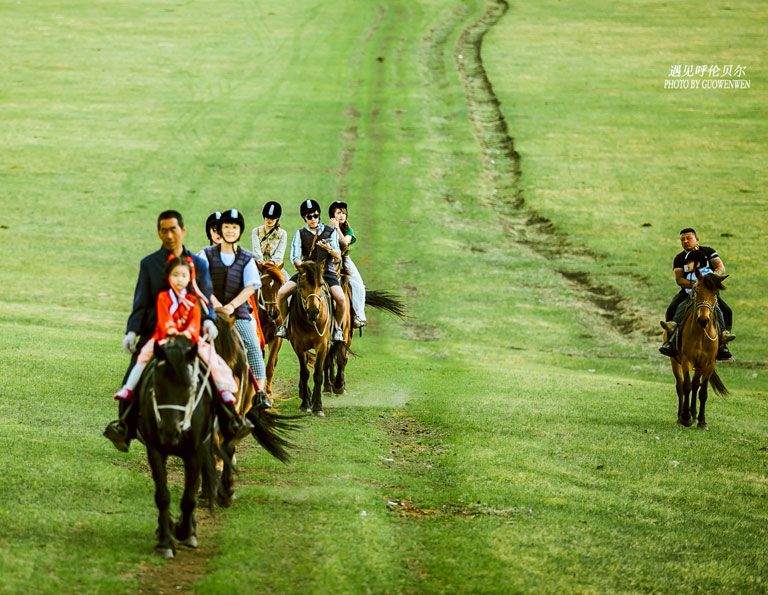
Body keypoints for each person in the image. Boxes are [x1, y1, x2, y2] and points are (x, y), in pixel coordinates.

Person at [104, 210, 251, 452]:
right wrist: (132, 331)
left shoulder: (198, 264)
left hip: (192, 332)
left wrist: (209, 321)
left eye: (173, 229)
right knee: (135, 371)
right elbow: (140, 303)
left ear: (182, 231)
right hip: (156, 333)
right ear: (159, 233)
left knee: (214, 370)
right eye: (164, 230)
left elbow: (204, 299)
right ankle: (124, 426)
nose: (169, 235)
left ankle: (230, 422)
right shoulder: (149, 264)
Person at [113, 255, 241, 408]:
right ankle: (128, 388)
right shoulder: (163, 298)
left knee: (211, 357)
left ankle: (222, 388)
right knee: (143, 356)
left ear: (189, 278)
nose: (179, 279)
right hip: (164, 337)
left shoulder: (193, 301)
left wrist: (188, 333)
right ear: (168, 277)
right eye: (175, 275)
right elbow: (164, 318)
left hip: (189, 338)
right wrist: (172, 330)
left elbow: (194, 321)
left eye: (183, 275)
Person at [202, 209, 272, 409]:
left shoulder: (246, 258)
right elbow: (199, 281)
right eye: (225, 227)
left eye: (234, 227)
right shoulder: (205, 255)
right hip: (209, 312)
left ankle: (259, 393)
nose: (229, 231)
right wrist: (216, 304)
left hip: (238, 313)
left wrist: (232, 305)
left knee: (252, 345)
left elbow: (250, 286)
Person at [274, 199, 346, 342]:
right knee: (282, 293)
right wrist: (303, 269)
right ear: (304, 218)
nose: (313, 219)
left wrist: (328, 249)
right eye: (309, 217)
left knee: (341, 299)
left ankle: (337, 329)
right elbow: (294, 256)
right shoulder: (300, 233)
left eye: (316, 216)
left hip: (326, 272)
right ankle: (284, 324)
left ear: (319, 215)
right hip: (306, 272)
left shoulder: (330, 231)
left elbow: (338, 255)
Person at [659, 228, 734, 360]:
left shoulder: (708, 251)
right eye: (682, 239)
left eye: (688, 238)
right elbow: (679, 279)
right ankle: (670, 341)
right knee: (672, 308)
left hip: (708, 292)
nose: (685, 241)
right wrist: (696, 285)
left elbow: (720, 268)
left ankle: (723, 341)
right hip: (688, 291)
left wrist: (708, 280)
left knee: (726, 311)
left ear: (696, 239)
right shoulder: (679, 258)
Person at [327, 200, 366, 328]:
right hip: (329, 259)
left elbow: (344, 243)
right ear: (332, 216)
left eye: (344, 213)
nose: (342, 215)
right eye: (338, 213)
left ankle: (358, 316)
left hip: (344, 259)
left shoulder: (348, 230)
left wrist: (337, 228)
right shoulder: (325, 229)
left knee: (358, 283)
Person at [252, 201, 288, 272]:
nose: (269, 221)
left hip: (274, 265)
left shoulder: (282, 233)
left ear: (277, 218)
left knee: (286, 281)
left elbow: (280, 252)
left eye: (272, 219)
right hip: (258, 264)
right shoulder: (256, 231)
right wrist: (261, 262)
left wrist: (272, 262)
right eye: (267, 218)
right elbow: (256, 249)